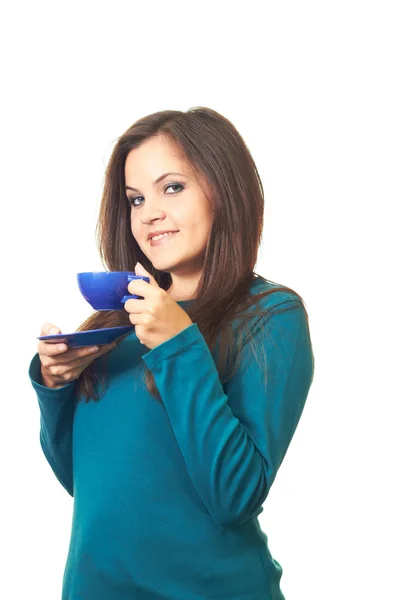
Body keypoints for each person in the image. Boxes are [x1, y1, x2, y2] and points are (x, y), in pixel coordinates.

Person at [28, 107, 315, 600]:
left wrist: (179, 345)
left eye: (172, 188)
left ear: (224, 189)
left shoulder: (270, 315)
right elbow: (85, 484)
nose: (149, 213)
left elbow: (235, 496)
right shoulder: (114, 322)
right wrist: (54, 387)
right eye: (136, 198)